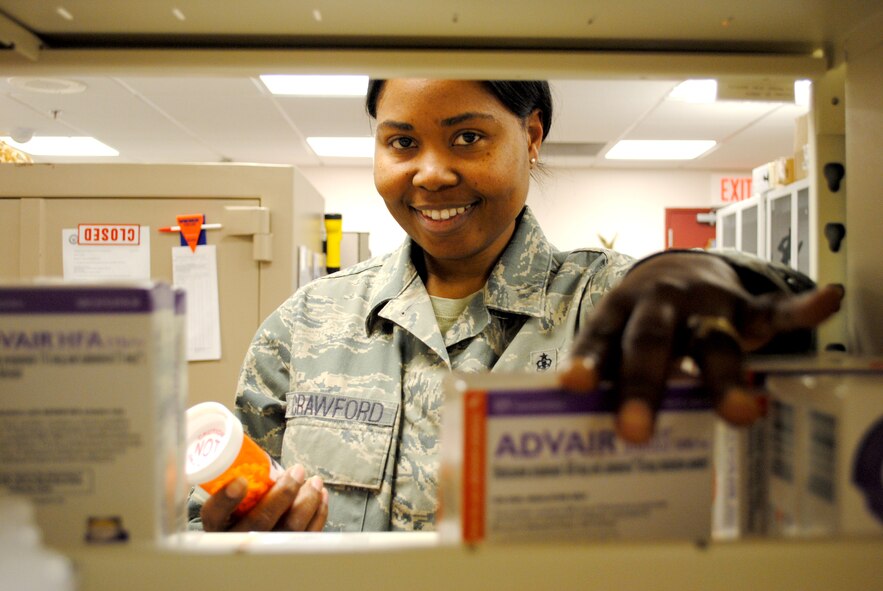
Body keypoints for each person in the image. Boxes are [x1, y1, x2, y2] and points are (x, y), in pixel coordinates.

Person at [192, 79, 843, 533]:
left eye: (468, 137)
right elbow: (216, 509)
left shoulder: (615, 303)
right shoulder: (303, 326)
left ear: (530, 136)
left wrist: (717, 273)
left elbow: (795, 334)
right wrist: (227, 527)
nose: (430, 173)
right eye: (400, 142)